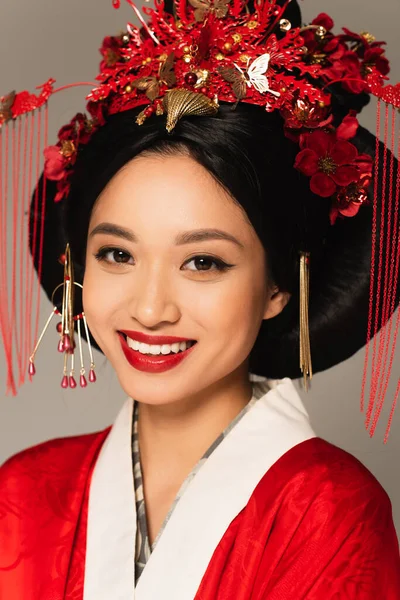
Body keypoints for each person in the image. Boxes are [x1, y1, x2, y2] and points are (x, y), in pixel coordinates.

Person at [0, 0, 399, 598]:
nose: (151, 308)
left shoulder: (328, 510)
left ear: (278, 286)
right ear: (78, 263)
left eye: (203, 262)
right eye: (117, 254)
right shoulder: (24, 490)